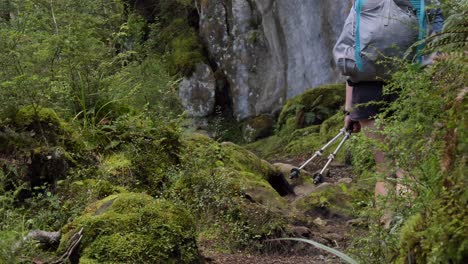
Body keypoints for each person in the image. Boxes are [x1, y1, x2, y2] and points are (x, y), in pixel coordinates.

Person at [342, 0, 444, 227]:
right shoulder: (425, 3)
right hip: (411, 86)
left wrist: (349, 109)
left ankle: (385, 236)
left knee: (383, 169)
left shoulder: (362, 2)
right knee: (408, 169)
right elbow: (438, 49)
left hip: (366, 91)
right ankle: (404, 241)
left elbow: (352, 53)